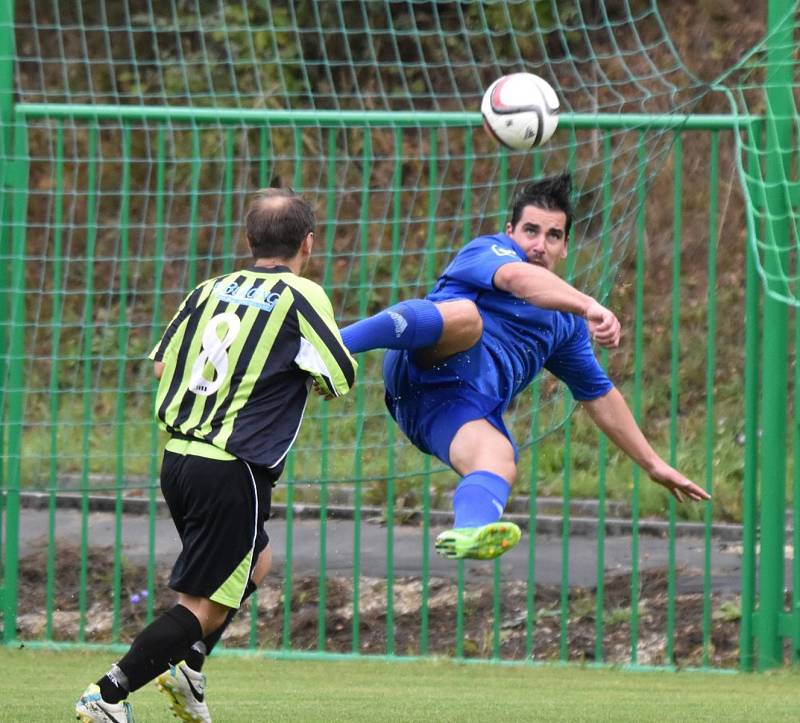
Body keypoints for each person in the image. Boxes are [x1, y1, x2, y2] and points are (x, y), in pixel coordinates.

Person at [75, 188, 357, 722]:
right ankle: (107, 695)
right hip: (233, 468)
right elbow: (339, 377)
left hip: (178, 459)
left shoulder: (210, 290)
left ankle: (189, 668)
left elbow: (162, 367)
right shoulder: (301, 294)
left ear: (249, 240)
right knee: (200, 604)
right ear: (309, 244)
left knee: (257, 560)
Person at [340, 172, 710, 561]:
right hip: (419, 359)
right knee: (467, 317)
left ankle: (469, 531)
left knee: (500, 457)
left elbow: (599, 395)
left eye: (553, 236)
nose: (539, 245)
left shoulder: (563, 328)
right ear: (509, 231)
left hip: (446, 408)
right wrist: (589, 305)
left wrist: (652, 464)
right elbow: (519, 279)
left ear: (566, 247)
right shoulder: (489, 251)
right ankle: (337, 344)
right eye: (530, 231)